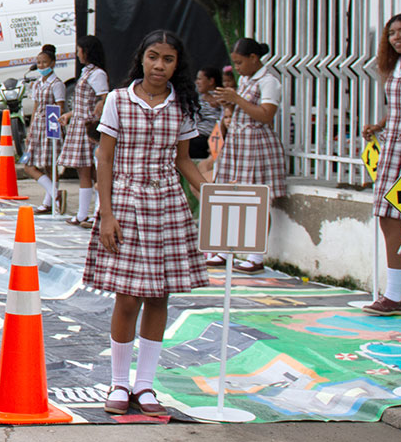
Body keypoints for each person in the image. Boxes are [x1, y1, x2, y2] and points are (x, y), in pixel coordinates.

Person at [83, 30, 208, 417]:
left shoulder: (182, 105)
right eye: (153, 57)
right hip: (125, 202)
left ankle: (146, 385)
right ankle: (119, 383)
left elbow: (184, 160)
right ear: (142, 58)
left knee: (159, 296)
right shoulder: (118, 101)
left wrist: (214, 197)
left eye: (168, 59)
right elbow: (104, 158)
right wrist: (106, 213)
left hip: (168, 203)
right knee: (127, 296)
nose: (159, 66)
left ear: (176, 65)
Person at [206, 37, 286, 273]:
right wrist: (228, 104)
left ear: (254, 58)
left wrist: (236, 99)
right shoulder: (247, 79)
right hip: (239, 142)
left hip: (257, 144)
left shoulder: (269, 81)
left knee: (258, 198)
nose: (237, 68)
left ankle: (255, 256)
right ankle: (224, 249)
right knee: (231, 193)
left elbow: (265, 115)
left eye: (240, 63)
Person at [361, 12, 401, 316]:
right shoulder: (396, 67)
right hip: (394, 147)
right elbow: (398, 109)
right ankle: (393, 294)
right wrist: (380, 125)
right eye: (392, 33)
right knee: (388, 217)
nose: (397, 38)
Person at [59, 34, 111, 227]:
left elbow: (102, 97)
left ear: (86, 51)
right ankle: (84, 214)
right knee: (85, 171)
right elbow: (85, 103)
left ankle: (96, 212)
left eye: (79, 49)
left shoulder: (97, 74)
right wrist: (70, 114)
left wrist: (98, 108)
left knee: (95, 170)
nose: (77, 53)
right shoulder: (86, 73)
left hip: (88, 127)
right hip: (79, 124)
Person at [21, 44, 66, 214]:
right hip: (38, 126)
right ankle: (55, 194)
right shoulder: (38, 83)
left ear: (52, 63)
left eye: (44, 63)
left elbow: (60, 106)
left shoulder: (57, 84)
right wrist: (31, 128)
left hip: (50, 125)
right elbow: (36, 106)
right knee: (29, 164)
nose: (41, 66)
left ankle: (50, 201)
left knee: (49, 165)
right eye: (38, 63)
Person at [190, 69, 224, 163]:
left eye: (199, 79)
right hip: (195, 135)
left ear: (211, 81)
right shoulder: (198, 100)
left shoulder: (222, 99)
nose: (197, 82)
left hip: (211, 139)